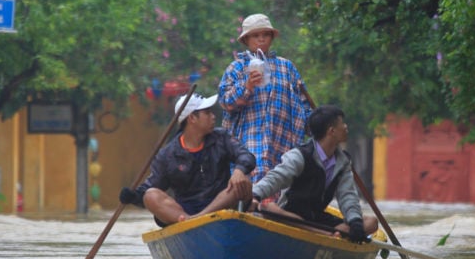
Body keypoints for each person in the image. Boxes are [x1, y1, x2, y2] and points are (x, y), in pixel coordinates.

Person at [119, 93, 256, 226]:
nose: (213, 117)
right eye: (207, 113)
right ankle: (192, 221)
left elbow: (246, 156)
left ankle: (197, 220)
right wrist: (133, 196)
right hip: (185, 213)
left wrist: (239, 170)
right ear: (192, 118)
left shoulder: (221, 138)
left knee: (243, 183)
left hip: (221, 205)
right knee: (150, 195)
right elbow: (151, 187)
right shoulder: (168, 154)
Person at [249, 104, 377, 243]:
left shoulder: (343, 162)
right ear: (332, 131)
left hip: (317, 218)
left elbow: (347, 196)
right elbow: (275, 178)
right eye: (342, 124)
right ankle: (326, 234)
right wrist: (255, 195)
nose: (346, 127)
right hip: (292, 216)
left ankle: (329, 233)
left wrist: (355, 223)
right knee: (270, 208)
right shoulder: (300, 155)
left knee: (371, 222)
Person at [218, 13, 311, 187]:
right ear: (246, 39)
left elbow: (303, 104)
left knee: (282, 183)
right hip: (249, 142)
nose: (261, 39)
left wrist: (317, 126)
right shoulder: (237, 67)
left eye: (265, 34)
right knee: (253, 184)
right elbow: (225, 102)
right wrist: (247, 87)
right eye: (255, 35)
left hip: (283, 141)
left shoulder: (286, 67)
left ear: (271, 37)